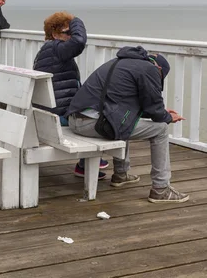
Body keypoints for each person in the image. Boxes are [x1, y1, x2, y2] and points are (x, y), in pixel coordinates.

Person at [66, 47, 188, 203]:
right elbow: (156, 112)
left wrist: (162, 112)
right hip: (93, 125)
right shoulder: (150, 70)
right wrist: (168, 117)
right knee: (161, 129)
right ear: (159, 69)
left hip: (76, 120)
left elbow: (133, 107)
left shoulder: (120, 62)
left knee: (126, 120)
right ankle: (161, 189)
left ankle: (121, 174)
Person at [33, 12, 108, 179]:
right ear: (54, 34)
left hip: (47, 114)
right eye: (67, 32)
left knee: (90, 107)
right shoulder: (56, 48)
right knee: (97, 118)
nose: (71, 35)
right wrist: (76, 20)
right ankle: (89, 162)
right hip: (58, 116)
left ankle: (87, 163)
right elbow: (79, 42)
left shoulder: (47, 50)